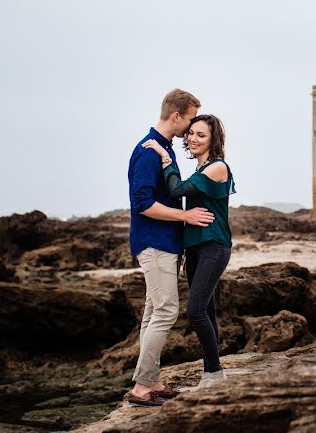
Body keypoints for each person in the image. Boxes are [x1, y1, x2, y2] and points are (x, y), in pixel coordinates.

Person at [126, 89, 214, 407]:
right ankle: (140, 388)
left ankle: (152, 380)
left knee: (153, 312)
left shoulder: (163, 149)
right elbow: (142, 203)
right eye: (190, 120)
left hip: (164, 244)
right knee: (165, 311)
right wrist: (185, 215)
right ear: (176, 115)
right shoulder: (149, 151)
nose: (190, 129)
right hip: (155, 243)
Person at [142, 113, 235, 389]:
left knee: (195, 310)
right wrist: (185, 253)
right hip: (196, 250)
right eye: (191, 133)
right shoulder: (200, 169)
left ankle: (215, 373)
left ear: (213, 140)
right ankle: (213, 373)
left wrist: (165, 157)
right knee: (206, 309)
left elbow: (177, 189)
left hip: (215, 247)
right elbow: (189, 209)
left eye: (201, 135)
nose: (193, 138)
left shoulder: (217, 167)